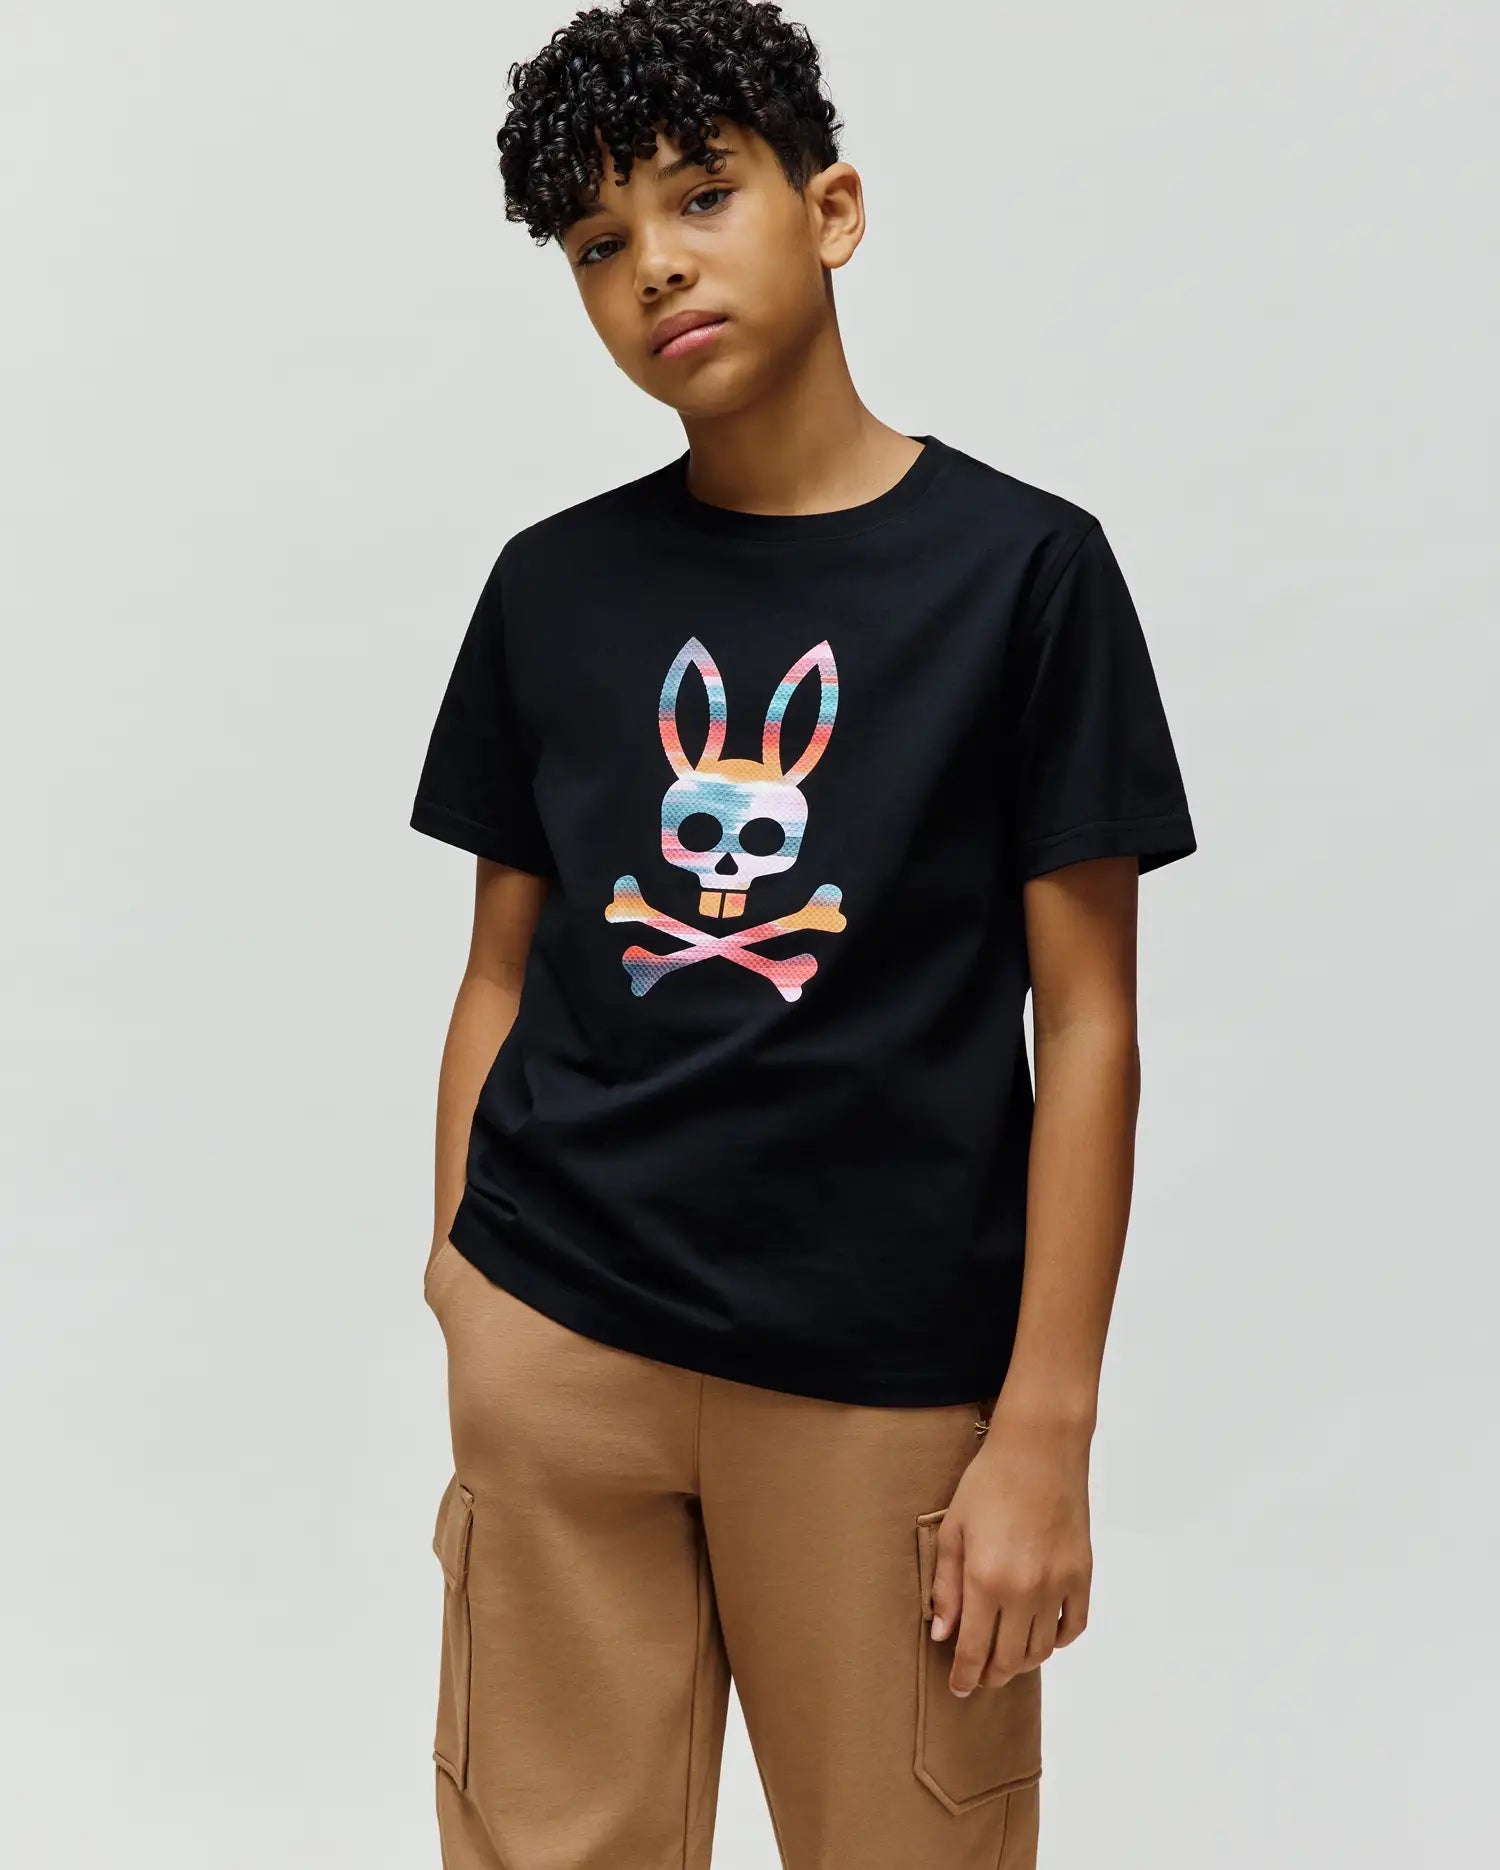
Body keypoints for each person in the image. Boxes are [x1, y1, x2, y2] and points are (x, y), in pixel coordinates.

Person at [408, 3, 1196, 1865]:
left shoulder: (1026, 575)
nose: (655, 264)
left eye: (703, 194)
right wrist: (462, 1280)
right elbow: (501, 966)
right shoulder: (550, 587)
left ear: (830, 208)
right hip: (560, 1342)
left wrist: (1046, 1427)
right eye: (598, 241)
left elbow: (1087, 1022)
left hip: (884, 1383)